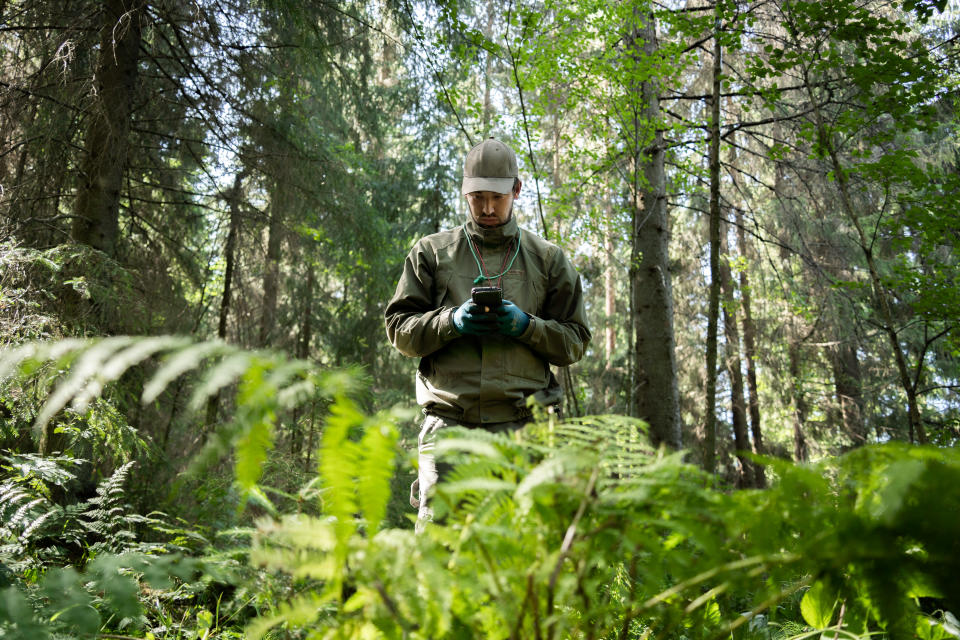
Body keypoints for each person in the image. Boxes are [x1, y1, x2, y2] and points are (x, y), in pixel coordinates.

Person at [384, 137, 591, 530]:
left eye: (497, 197)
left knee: (522, 561)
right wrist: (451, 322)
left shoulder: (547, 259)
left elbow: (576, 339)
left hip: (524, 430)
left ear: (516, 189)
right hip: (449, 427)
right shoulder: (432, 253)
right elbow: (399, 328)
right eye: (477, 197)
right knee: (439, 560)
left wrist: (528, 327)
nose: (487, 208)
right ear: (465, 193)